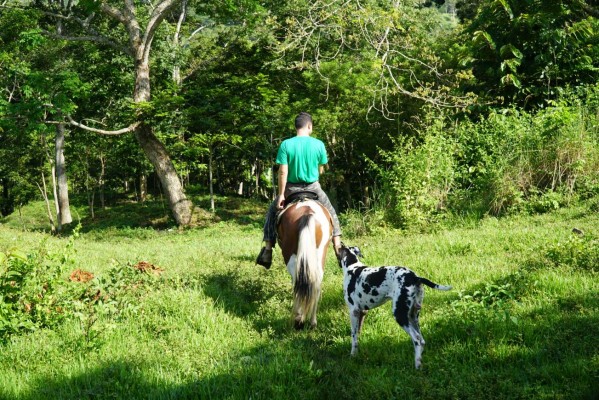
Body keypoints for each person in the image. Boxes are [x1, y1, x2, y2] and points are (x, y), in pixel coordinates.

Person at [256, 112, 342, 269]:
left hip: (291, 188)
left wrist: (282, 195)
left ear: (296, 127)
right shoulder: (319, 144)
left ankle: (268, 250)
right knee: (331, 211)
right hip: (313, 187)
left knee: (271, 212)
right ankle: (338, 247)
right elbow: (321, 169)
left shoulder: (286, 145)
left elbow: (283, 172)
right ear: (309, 126)